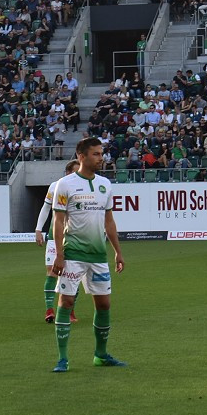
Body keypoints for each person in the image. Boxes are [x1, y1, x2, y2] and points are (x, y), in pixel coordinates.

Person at [50, 136, 126, 372]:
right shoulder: (65, 184)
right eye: (96, 154)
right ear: (81, 156)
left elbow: (109, 221)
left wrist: (117, 252)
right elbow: (58, 220)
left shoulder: (105, 184)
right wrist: (59, 254)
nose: (100, 158)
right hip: (73, 255)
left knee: (104, 305)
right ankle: (63, 358)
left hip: (98, 256)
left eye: (101, 154)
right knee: (66, 301)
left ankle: (101, 355)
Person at [36, 159, 80, 324]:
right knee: (52, 272)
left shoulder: (84, 187)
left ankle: (70, 310)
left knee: (72, 274)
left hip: (75, 237)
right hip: (55, 237)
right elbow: (46, 207)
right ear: (68, 173)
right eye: (76, 172)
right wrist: (38, 229)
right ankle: (49, 309)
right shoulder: (55, 186)